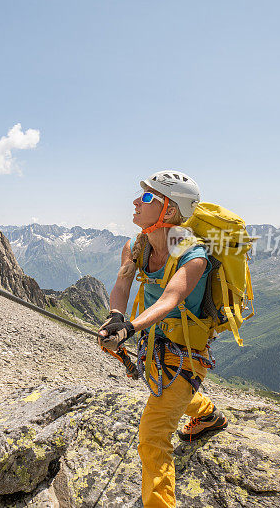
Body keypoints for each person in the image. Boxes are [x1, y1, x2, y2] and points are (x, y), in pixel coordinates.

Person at [97, 170, 228, 508]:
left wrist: (129, 328)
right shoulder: (136, 247)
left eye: (146, 197)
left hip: (185, 356)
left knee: (153, 436)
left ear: (168, 210)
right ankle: (209, 415)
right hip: (154, 349)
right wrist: (115, 317)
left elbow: (171, 298)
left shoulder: (194, 255)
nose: (136, 202)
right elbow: (123, 284)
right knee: (167, 392)